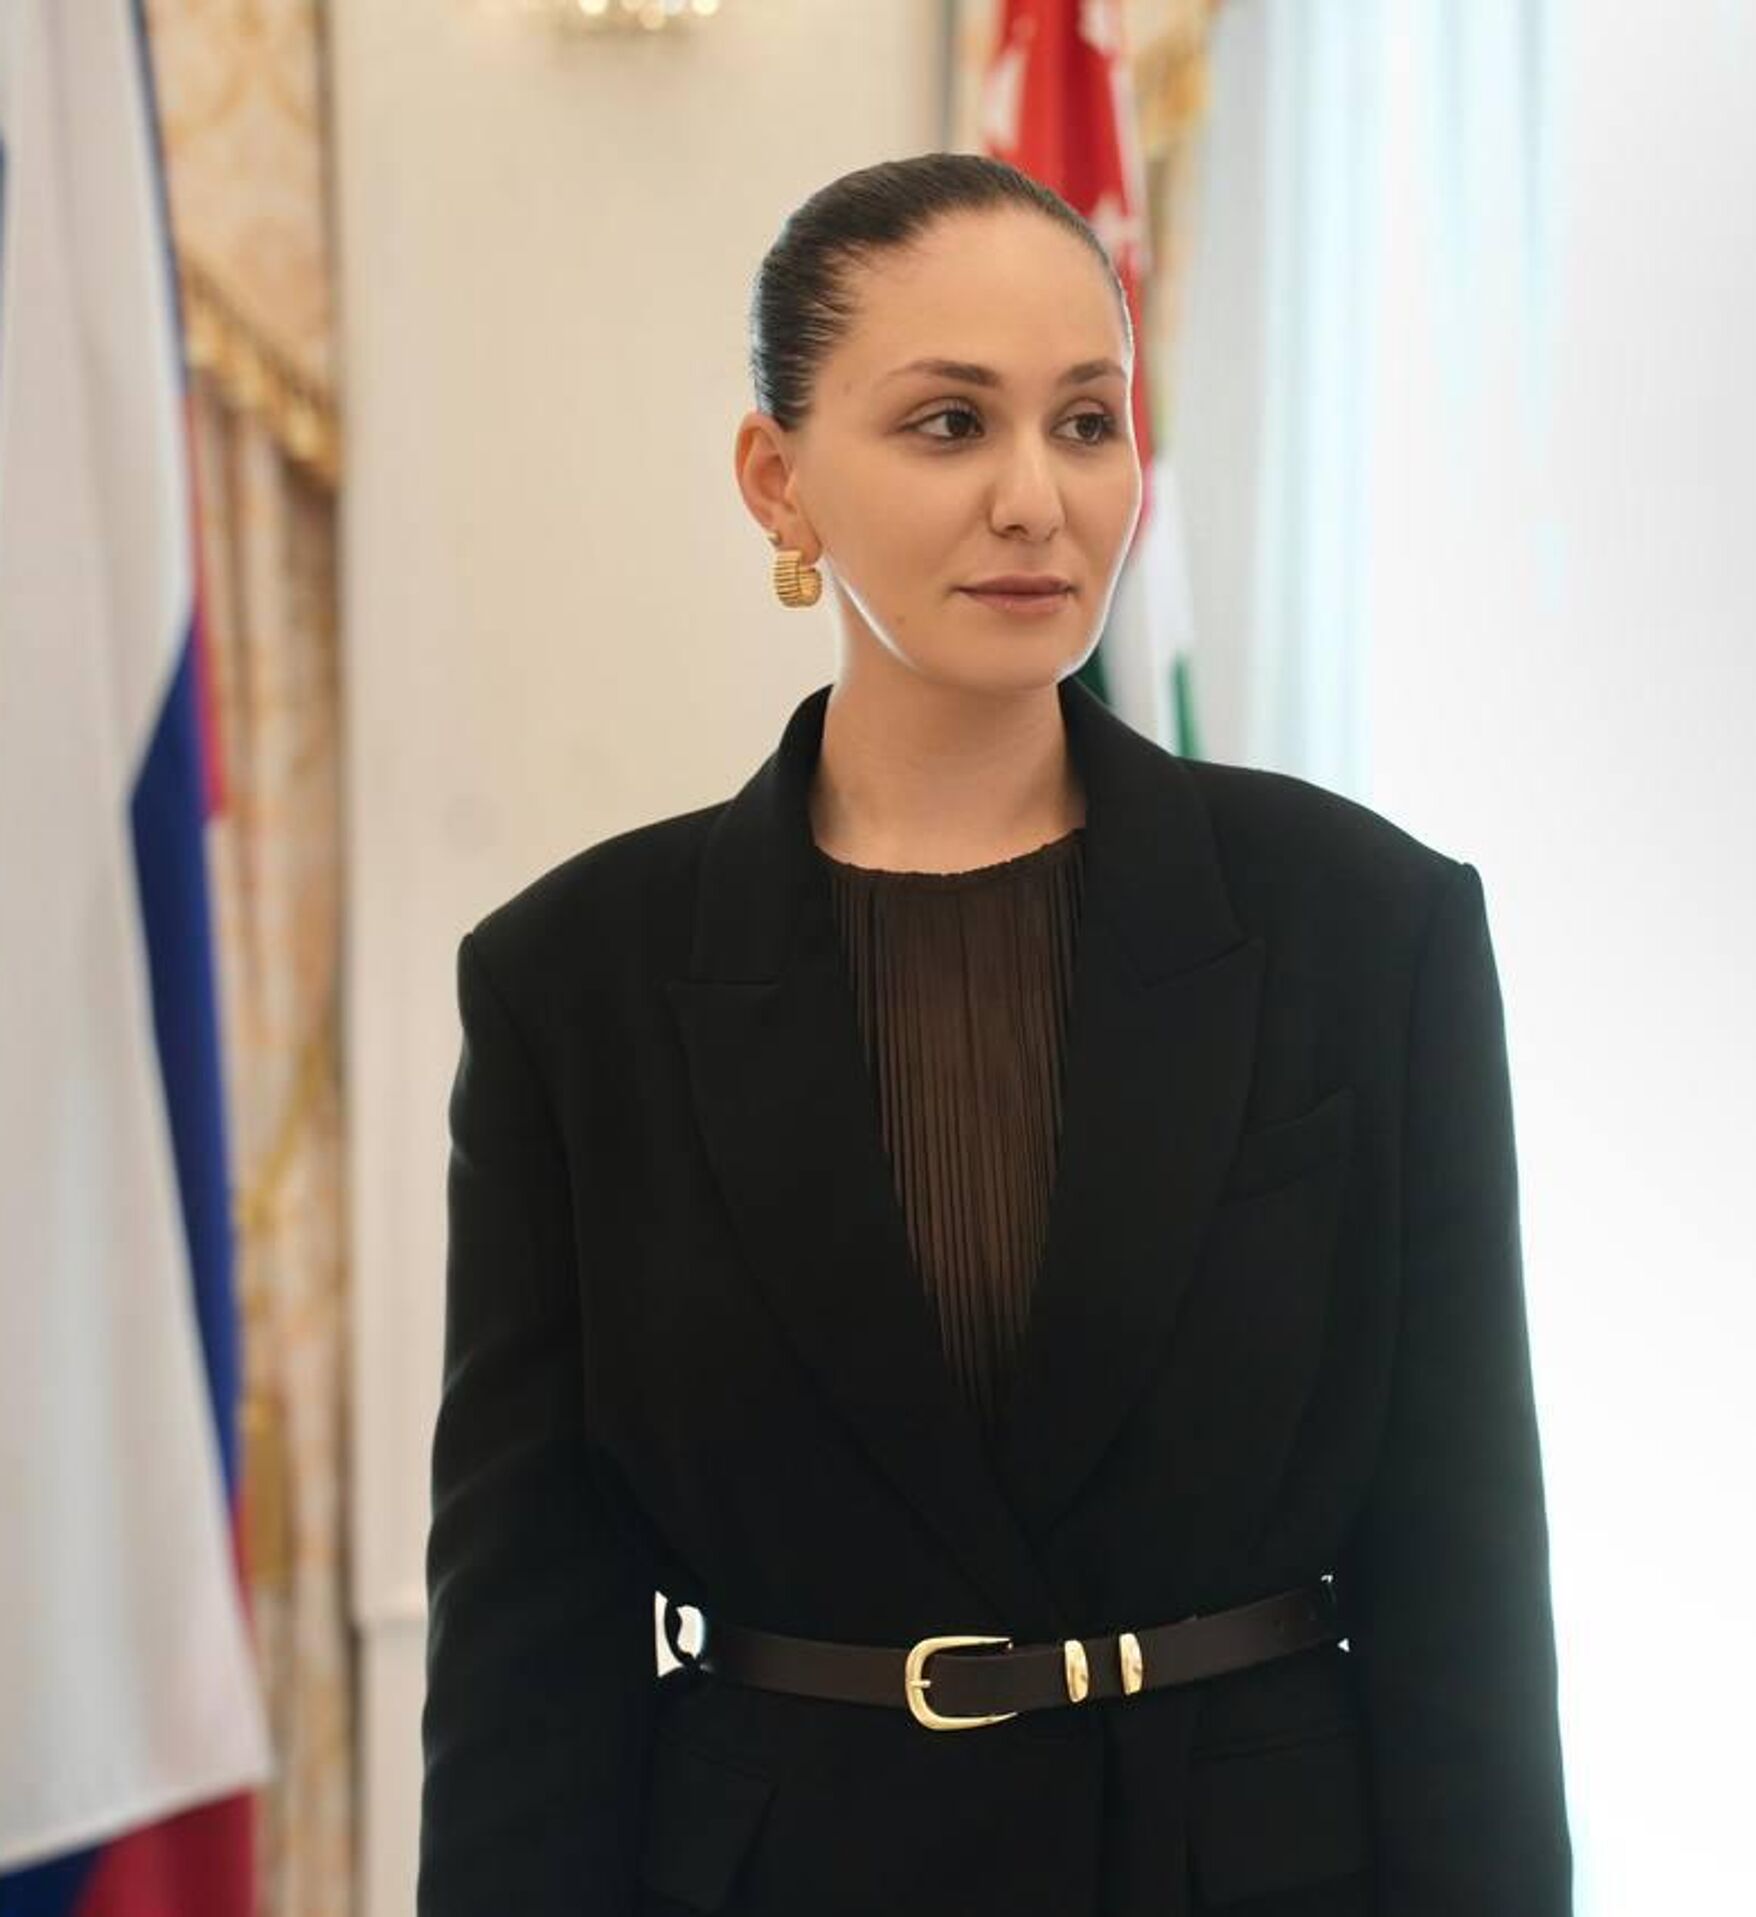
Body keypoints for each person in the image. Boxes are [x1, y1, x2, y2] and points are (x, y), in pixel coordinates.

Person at [416, 153, 1571, 1917]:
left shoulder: (1368, 925)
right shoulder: (573, 981)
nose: (1038, 498)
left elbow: (1464, 1577)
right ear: (778, 480)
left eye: (1087, 422)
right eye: (951, 423)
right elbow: (528, 1637)